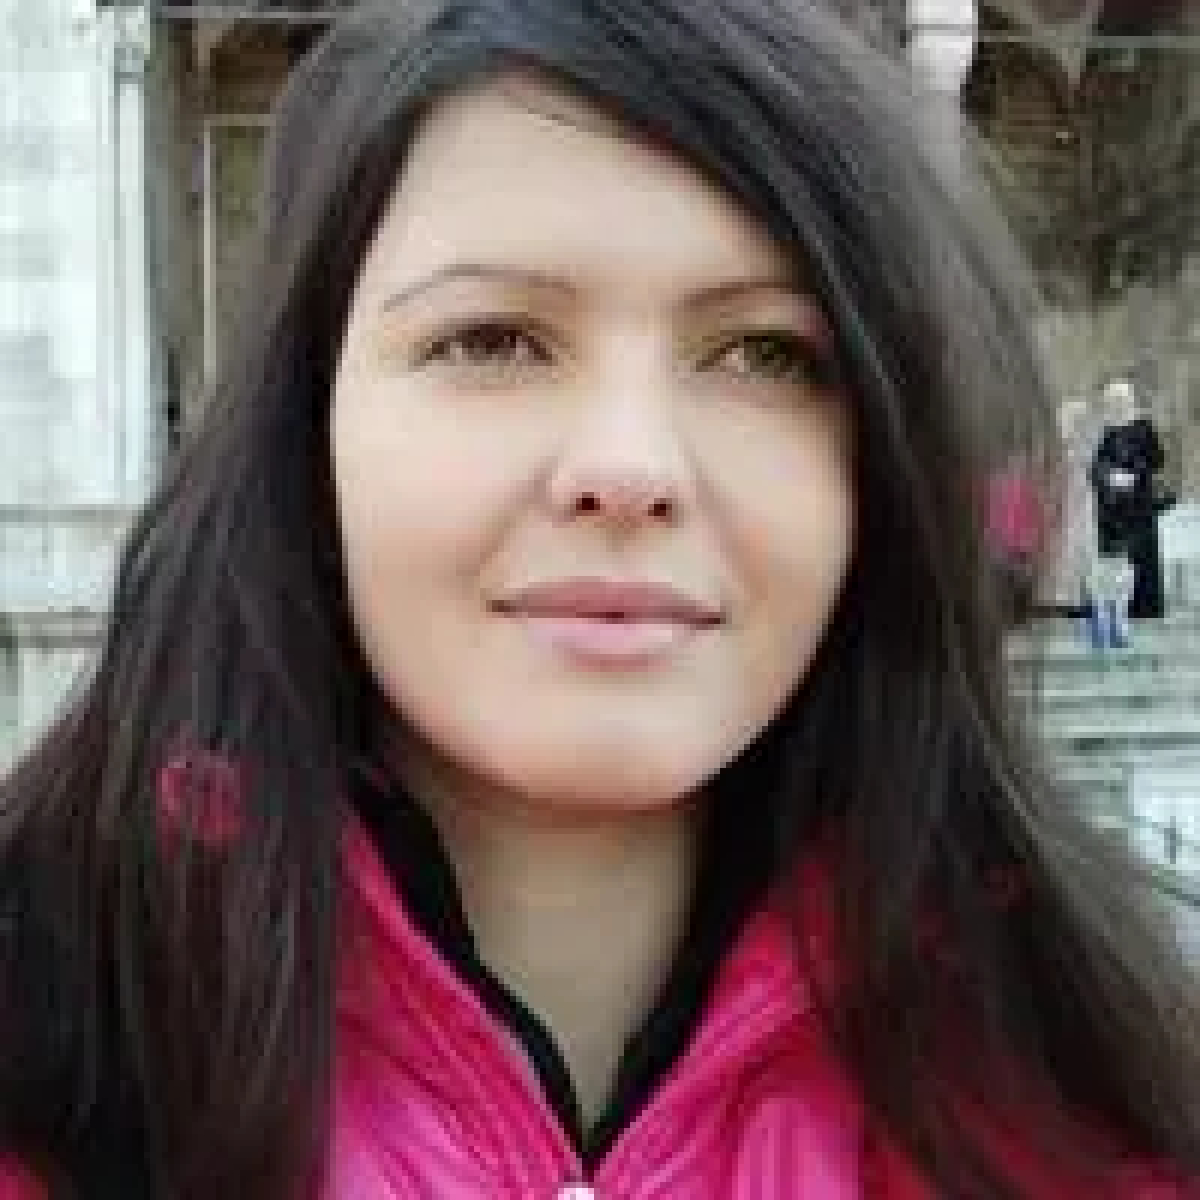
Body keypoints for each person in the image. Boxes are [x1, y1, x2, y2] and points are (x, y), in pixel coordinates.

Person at [0, 2, 1196, 1197]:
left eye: (765, 354)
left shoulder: (1097, 1129)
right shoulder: (47, 1073)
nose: (629, 468)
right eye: (493, 341)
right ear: (305, 423)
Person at [1090, 377, 1175, 621]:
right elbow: (1094, 466)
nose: (1116, 404)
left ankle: (1146, 607)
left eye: (1121, 399)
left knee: (1143, 555)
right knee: (1115, 558)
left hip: (1139, 504)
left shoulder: (1144, 427)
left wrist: (1134, 473)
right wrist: (1109, 476)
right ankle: (1117, 607)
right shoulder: (1105, 430)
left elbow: (1157, 460)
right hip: (1112, 507)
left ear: (1129, 400)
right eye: (1112, 400)